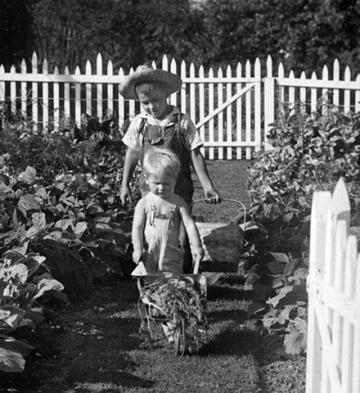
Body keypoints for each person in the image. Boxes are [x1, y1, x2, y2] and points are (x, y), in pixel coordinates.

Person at [119, 64, 220, 272]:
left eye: (155, 101)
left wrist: (208, 186)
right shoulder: (140, 123)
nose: (151, 107)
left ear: (166, 94)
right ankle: (152, 277)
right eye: (145, 103)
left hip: (179, 189)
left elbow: (195, 152)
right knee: (151, 232)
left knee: (181, 233)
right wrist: (124, 185)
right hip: (150, 190)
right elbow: (131, 153)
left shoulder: (182, 122)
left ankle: (181, 276)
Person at [131, 147, 204, 275]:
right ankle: (148, 295)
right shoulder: (144, 203)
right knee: (149, 279)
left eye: (166, 184)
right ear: (147, 179)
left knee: (172, 280)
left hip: (171, 252)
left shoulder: (178, 203)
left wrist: (197, 246)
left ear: (174, 181)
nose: (161, 187)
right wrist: (137, 249)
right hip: (149, 252)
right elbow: (137, 227)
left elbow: (190, 225)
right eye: (156, 183)